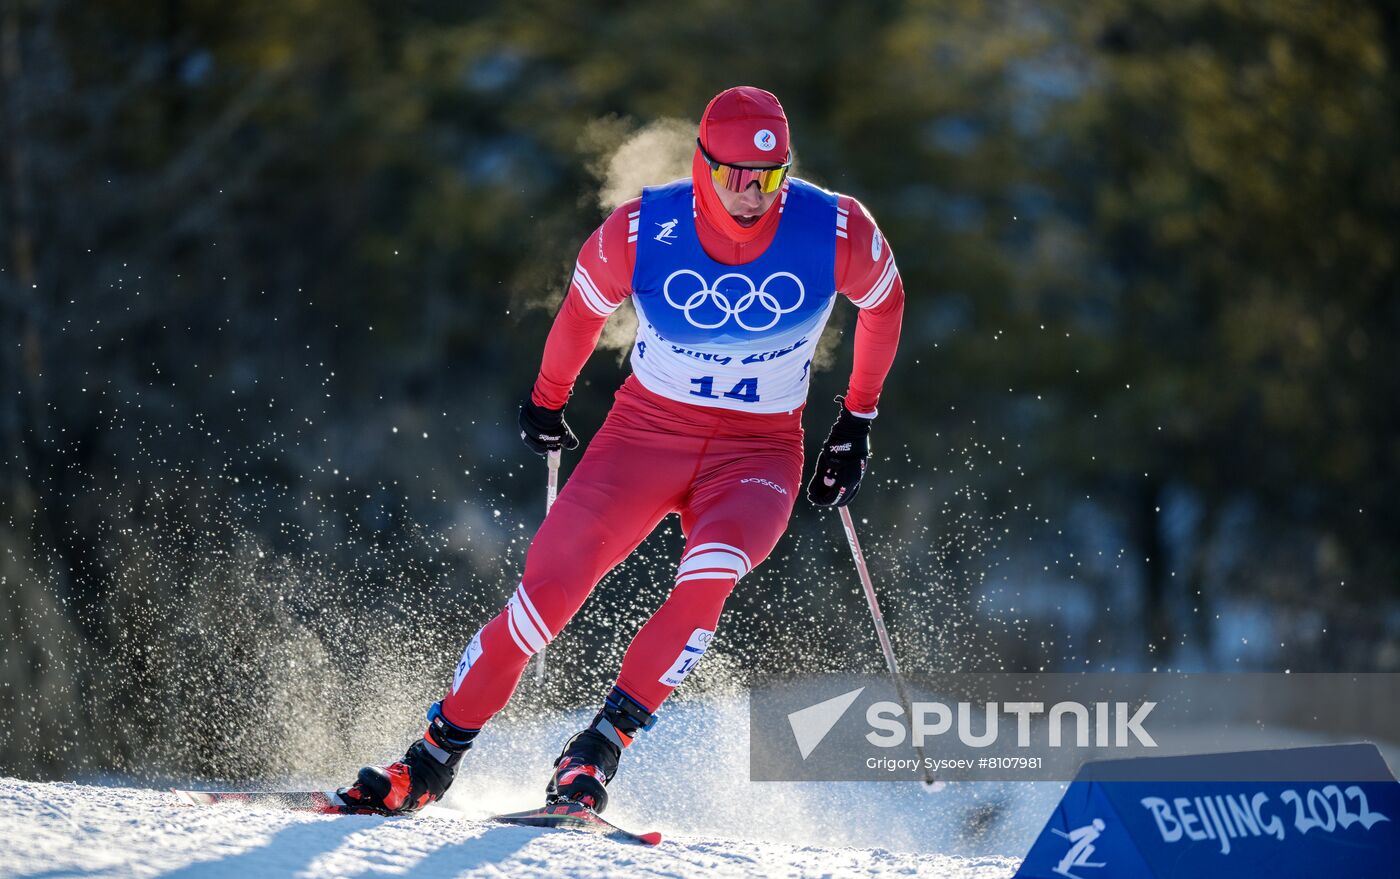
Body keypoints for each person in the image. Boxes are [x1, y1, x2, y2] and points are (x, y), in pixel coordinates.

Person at [338, 86, 905, 815]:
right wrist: (547, 398)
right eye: (735, 176)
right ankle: (431, 760)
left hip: (757, 454)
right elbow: (582, 312)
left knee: (710, 575)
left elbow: (884, 305)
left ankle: (594, 754)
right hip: (643, 438)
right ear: (704, 165)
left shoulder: (836, 229)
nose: (752, 195)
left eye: (768, 179)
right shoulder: (641, 229)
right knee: (542, 599)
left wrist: (856, 420)